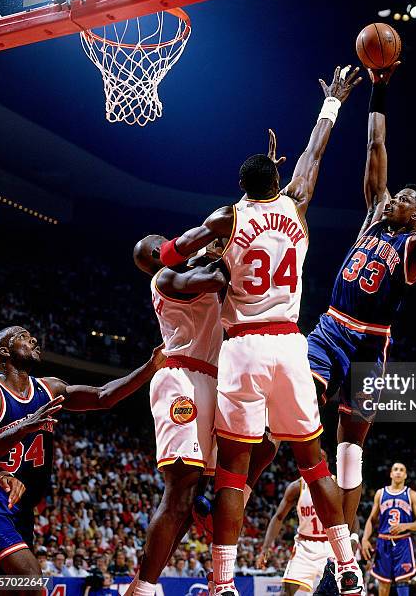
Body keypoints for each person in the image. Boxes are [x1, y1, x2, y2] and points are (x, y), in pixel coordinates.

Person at [157, 65, 364, 596]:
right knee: (313, 463)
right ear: (278, 178)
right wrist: (333, 102)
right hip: (291, 342)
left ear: (241, 187)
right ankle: (347, 566)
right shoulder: (296, 204)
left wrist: (162, 255)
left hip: (243, 347)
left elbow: (174, 252)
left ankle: (223, 582)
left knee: (233, 470)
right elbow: (314, 155)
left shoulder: (226, 218)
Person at [306, 63, 416, 535]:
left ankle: (339, 552)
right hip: (331, 328)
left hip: (368, 347)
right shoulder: (371, 219)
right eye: (392, 193)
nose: (392, 196)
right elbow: (374, 145)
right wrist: (379, 89)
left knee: (350, 454)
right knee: (302, 400)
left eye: (400, 197)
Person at [0, 325, 165, 578]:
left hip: (23, 508)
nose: (34, 340)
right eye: (23, 337)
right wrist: (24, 428)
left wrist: (151, 366)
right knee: (31, 579)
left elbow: (103, 396)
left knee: (13, 588)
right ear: (5, 352)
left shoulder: (50, 389)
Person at [127, 238, 227, 593]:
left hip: (212, 377)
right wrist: (223, 251)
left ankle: (152, 581)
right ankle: (143, 588)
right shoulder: (166, 278)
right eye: (163, 244)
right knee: (179, 491)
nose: (171, 243)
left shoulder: (185, 269)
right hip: (182, 378)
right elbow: (215, 279)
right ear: (157, 256)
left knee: (194, 498)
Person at [256, 451, 335, 595]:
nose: (317, 462)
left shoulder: (337, 484)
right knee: (286, 592)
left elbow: (353, 517)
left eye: (322, 459)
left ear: (327, 464)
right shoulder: (297, 487)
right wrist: (266, 547)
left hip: (331, 545)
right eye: (314, 458)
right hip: (304, 546)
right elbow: (278, 517)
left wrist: (353, 540)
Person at [361, 462, 416, 596]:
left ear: (405, 475)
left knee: (403, 581)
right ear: (391, 474)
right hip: (383, 542)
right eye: (395, 469)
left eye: (402, 470)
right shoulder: (380, 493)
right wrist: (365, 539)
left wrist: (405, 526)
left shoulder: (411, 494)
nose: (398, 472)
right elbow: (372, 519)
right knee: (384, 585)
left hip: (403, 542)